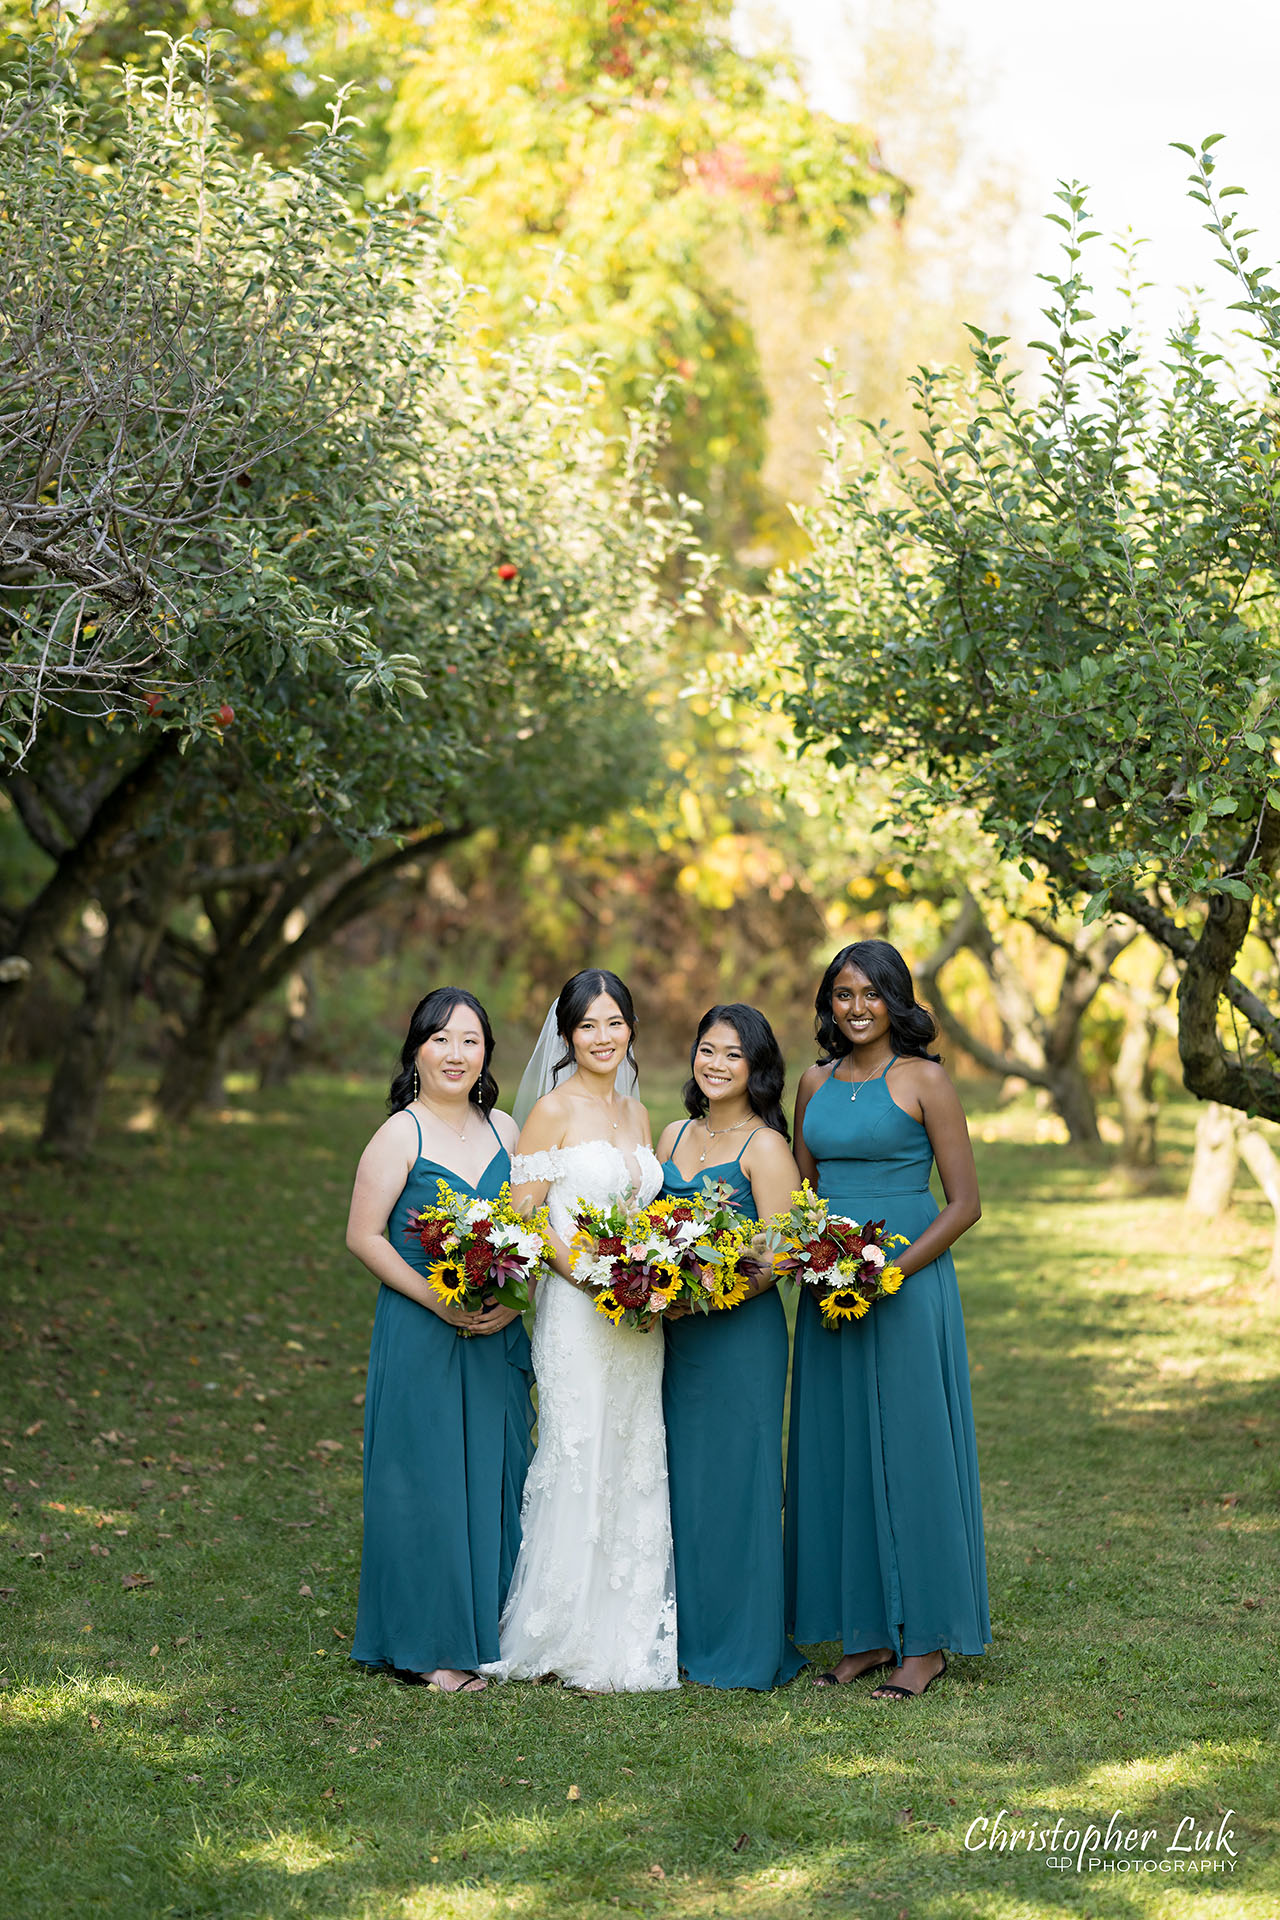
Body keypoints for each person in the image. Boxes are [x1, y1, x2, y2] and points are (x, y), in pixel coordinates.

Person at [785, 940, 989, 1698]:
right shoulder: (813, 1082)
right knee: (837, 1453)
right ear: (828, 1004)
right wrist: (813, 1261)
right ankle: (865, 1634)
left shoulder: (925, 1080)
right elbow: (803, 1194)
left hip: (906, 1285)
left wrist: (888, 1273)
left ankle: (927, 1642)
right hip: (829, 1290)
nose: (857, 1007)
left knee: (913, 1450)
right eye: (843, 994)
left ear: (896, 1001)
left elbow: (965, 1203)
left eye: (872, 994)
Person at [486, 969, 676, 1692]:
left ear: (630, 1028)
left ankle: (628, 1636)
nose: (603, 1037)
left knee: (632, 1449)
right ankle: (557, 1630)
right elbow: (526, 1215)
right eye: (588, 1025)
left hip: (638, 1314)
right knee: (579, 1446)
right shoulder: (551, 1113)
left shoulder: (636, 1112)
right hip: (577, 1310)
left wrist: (652, 1275)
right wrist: (594, 1277)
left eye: (614, 1022)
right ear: (567, 1035)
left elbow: (641, 1211)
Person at [345, 988, 532, 1693]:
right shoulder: (402, 1134)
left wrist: (518, 1305)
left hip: (494, 1332)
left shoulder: (510, 1130)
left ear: (487, 1053)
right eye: (442, 1039)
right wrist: (436, 1300)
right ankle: (427, 1647)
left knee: (494, 1471)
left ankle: (493, 1628)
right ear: (417, 1049)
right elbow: (362, 1236)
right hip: (422, 1328)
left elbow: (533, 1235)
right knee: (423, 1480)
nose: (457, 1054)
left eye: (471, 1040)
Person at [656, 1004, 806, 1689]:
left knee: (738, 1482)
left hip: (741, 1336)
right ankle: (681, 1635)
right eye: (707, 1049)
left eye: (733, 1055)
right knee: (681, 1479)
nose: (715, 1064)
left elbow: (781, 1254)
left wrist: (709, 1294)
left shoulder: (766, 1148)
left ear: (758, 1069)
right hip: (676, 1337)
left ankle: (744, 1645)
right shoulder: (671, 1133)